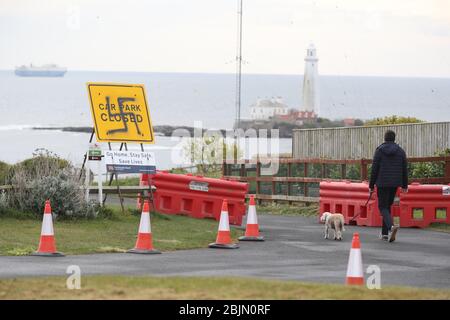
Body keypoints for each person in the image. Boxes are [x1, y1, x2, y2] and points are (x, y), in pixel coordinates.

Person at [369, 130, 408, 242]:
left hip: (382, 183)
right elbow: (404, 169)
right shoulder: (400, 151)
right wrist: (405, 184)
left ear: (385, 138)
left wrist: (371, 185)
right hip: (395, 183)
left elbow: (374, 169)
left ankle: (391, 227)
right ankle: (384, 234)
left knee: (382, 207)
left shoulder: (380, 151)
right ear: (394, 138)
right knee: (387, 206)